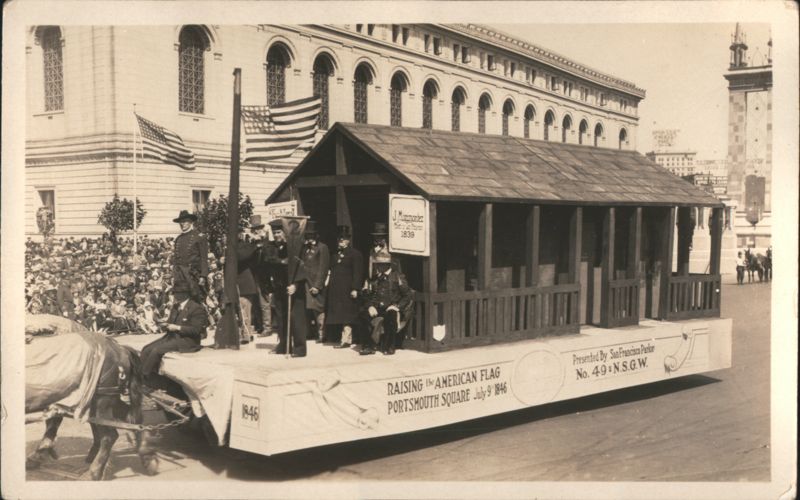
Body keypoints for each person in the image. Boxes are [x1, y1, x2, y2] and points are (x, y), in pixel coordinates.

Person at [140, 291, 208, 387]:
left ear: (185, 294)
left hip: (187, 341)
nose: (174, 296)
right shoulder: (176, 306)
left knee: (156, 350)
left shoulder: (197, 308)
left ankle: (144, 378)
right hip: (171, 337)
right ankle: (150, 378)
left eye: (176, 293)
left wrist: (177, 327)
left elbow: (196, 330)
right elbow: (170, 322)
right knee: (146, 348)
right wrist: (163, 324)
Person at [264, 219, 309, 357]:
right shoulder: (271, 248)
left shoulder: (294, 247)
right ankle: (283, 345)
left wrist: (296, 285)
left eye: (279, 232)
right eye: (274, 232)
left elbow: (302, 267)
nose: (277, 235)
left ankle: (300, 349)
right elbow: (268, 261)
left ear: (285, 232)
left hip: (294, 287)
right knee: (281, 318)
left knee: (297, 319)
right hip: (280, 287)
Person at [360, 249, 413, 356]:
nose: (378, 267)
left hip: (392, 307)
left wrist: (397, 306)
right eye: (378, 264)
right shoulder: (375, 278)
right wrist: (370, 306)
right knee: (363, 315)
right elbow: (366, 294)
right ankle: (368, 346)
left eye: (381, 265)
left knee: (391, 317)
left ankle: (389, 346)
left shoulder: (397, 276)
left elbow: (407, 295)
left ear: (388, 265)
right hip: (377, 307)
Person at [325, 225, 364, 348]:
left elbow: (358, 273)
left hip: (348, 289)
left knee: (348, 314)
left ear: (348, 240)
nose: (341, 240)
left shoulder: (355, 254)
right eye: (339, 238)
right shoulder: (334, 255)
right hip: (336, 290)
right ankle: (340, 337)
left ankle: (347, 339)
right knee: (339, 314)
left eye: (343, 238)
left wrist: (355, 288)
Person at [234, 217, 264, 344]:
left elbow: (241, 257)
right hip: (239, 284)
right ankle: (245, 333)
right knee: (241, 311)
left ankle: (246, 334)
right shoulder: (242, 246)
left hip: (245, 284)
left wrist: (254, 244)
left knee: (244, 311)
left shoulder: (245, 246)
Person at [300, 221, 330, 343]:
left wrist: (318, 285)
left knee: (318, 309)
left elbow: (323, 268)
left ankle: (322, 333)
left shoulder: (322, 248)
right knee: (307, 309)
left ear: (316, 236)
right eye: (308, 235)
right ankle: (309, 332)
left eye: (312, 235)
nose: (310, 238)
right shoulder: (305, 248)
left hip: (315, 284)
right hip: (306, 282)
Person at [172, 210, 209, 302]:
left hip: (193, 276)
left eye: (185, 221)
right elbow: (176, 260)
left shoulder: (199, 237)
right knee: (181, 302)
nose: (182, 224)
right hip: (180, 276)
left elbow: (204, 258)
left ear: (191, 222)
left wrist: (203, 276)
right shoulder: (178, 239)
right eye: (180, 222)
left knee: (196, 302)